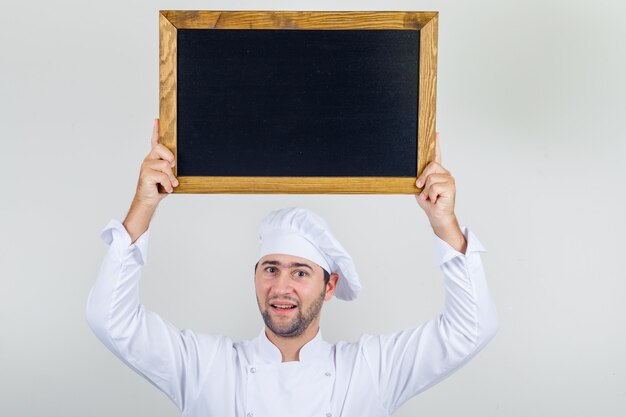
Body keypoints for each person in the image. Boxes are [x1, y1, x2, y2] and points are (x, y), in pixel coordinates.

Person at [86, 119, 498, 417]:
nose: (281, 286)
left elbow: (471, 328)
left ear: (329, 285)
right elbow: (110, 318)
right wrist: (144, 204)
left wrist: (444, 222)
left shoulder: (371, 369)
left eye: (300, 272)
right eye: (270, 268)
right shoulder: (204, 365)